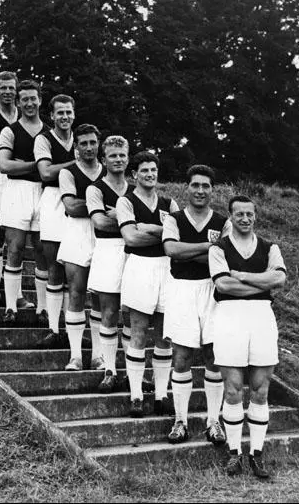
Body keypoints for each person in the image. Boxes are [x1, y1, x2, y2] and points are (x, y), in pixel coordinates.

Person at [209, 195, 286, 478]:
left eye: (249, 214)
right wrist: (260, 282)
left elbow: (278, 279)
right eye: (238, 214)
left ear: (255, 216)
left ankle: (256, 454)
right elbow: (223, 284)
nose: (244, 219)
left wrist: (241, 275)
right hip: (229, 316)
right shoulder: (218, 248)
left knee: (260, 388)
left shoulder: (270, 247)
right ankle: (233, 454)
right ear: (230, 217)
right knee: (232, 388)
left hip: (262, 317)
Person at [162, 165, 230, 444]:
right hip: (182, 291)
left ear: (212, 189)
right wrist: (207, 248)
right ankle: (181, 421)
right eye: (195, 185)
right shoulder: (174, 218)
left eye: (206, 186)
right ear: (186, 188)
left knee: (214, 357)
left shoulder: (223, 221)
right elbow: (171, 250)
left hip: (213, 291)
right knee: (182, 357)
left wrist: (191, 252)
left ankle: (214, 422)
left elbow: (224, 259)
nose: (200, 190)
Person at [116, 151, 178, 417]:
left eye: (153, 170)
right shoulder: (125, 202)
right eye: (144, 171)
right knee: (139, 332)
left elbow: (180, 237)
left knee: (165, 335)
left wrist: (150, 229)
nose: (150, 174)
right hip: (140, 266)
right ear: (134, 175)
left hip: (167, 269)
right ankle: (137, 395)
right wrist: (164, 235)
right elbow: (131, 238)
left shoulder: (169, 203)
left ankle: (162, 394)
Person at [0, 72, 33, 309]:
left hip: (18, 181)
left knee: (15, 240)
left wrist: (14, 158)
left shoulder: (24, 115)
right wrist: (13, 153)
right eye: (3, 88)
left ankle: (18, 294)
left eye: (12, 88)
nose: (8, 92)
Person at [0, 79, 48, 325]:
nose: (29, 103)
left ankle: (43, 309)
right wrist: (37, 165)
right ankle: (10, 307)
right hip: (16, 191)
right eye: (24, 99)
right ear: (18, 102)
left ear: (40, 100)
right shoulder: (10, 130)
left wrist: (26, 166)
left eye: (33, 98)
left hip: (43, 192)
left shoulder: (49, 133)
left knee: (41, 250)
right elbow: (5, 165)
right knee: (15, 247)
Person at [86, 135, 133, 391]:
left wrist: (119, 214)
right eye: (113, 156)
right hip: (106, 250)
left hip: (133, 253)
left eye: (122, 155)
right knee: (109, 312)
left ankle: (130, 370)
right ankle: (109, 369)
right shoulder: (95, 188)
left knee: (131, 313)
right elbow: (100, 222)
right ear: (104, 159)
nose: (118, 160)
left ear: (128, 158)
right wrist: (129, 218)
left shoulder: (136, 189)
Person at [57, 123, 105, 371]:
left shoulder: (109, 172)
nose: (89, 147)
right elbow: (71, 207)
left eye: (92, 142)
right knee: (76, 292)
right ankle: (75, 355)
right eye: (83, 143)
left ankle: (98, 355)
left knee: (99, 295)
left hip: (104, 236)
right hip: (77, 232)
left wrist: (89, 204)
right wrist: (100, 205)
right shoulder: (68, 172)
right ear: (76, 147)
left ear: (99, 144)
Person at [34, 95, 77, 347]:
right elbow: (46, 172)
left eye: (68, 112)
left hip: (77, 203)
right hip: (52, 199)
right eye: (60, 113)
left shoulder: (81, 138)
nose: (64, 117)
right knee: (54, 266)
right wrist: (77, 163)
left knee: (76, 270)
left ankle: (72, 326)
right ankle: (54, 327)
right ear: (51, 115)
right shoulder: (44, 138)